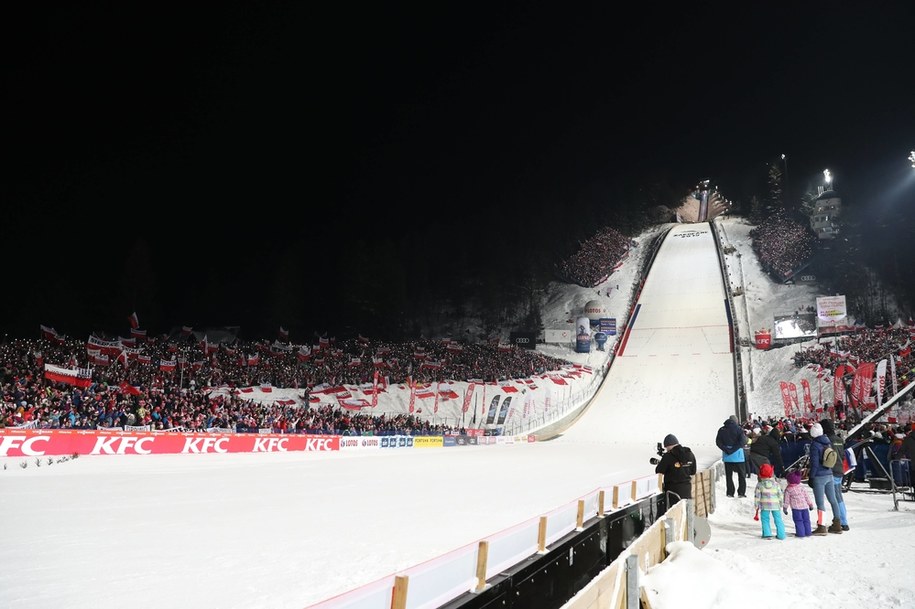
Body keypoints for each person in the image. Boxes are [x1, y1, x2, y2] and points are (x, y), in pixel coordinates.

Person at [808, 422, 843, 535]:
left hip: (819, 476)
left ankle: (821, 526)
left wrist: (811, 477)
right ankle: (837, 524)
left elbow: (814, 463)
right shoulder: (828, 442)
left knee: (820, 502)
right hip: (829, 473)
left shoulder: (815, 445)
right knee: (833, 500)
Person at [820, 418, 849, 531]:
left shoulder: (826, 440)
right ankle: (843, 520)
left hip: (830, 470)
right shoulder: (839, 439)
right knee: (838, 496)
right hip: (839, 469)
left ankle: (841, 521)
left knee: (833, 497)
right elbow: (842, 455)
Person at [652, 433, 696, 506]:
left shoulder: (668, 456)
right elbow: (693, 471)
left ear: (668, 446)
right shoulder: (689, 453)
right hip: (687, 489)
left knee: (673, 514)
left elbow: (659, 471)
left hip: (672, 491)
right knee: (685, 511)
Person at [716, 415, 747, 497]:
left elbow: (718, 441)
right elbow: (743, 441)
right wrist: (734, 449)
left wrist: (726, 449)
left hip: (727, 456)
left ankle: (730, 492)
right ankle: (741, 492)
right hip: (738, 456)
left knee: (729, 476)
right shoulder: (739, 429)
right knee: (742, 475)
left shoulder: (722, 429)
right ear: (736, 421)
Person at [754, 464, 785, 539]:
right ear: (771, 473)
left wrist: (756, 505)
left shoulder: (759, 485)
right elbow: (780, 494)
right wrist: (781, 503)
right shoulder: (776, 484)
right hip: (775, 504)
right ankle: (781, 535)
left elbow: (757, 496)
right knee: (778, 519)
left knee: (765, 519)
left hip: (764, 505)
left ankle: (767, 534)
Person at [782, 470, 815, 537]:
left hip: (796, 509)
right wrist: (810, 504)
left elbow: (786, 500)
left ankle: (800, 533)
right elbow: (807, 496)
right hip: (805, 507)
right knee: (806, 520)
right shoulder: (801, 487)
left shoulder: (788, 489)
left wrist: (785, 507)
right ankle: (808, 532)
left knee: (798, 521)